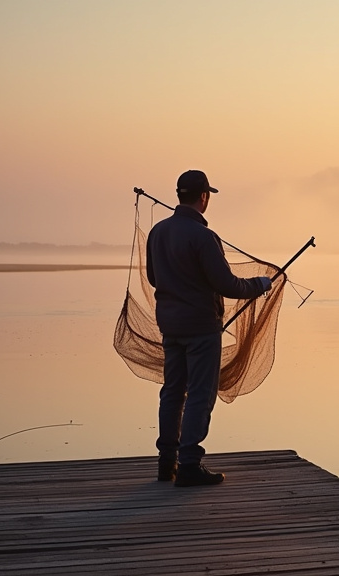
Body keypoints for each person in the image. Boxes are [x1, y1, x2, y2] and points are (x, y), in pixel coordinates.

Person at [146, 169, 273, 487]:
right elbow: (226, 284)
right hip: (202, 329)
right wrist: (259, 283)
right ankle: (188, 465)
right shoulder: (204, 237)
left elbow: (152, 277)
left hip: (170, 326)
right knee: (200, 395)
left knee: (172, 392)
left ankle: (166, 464)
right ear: (204, 197)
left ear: (179, 195)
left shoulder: (158, 232)